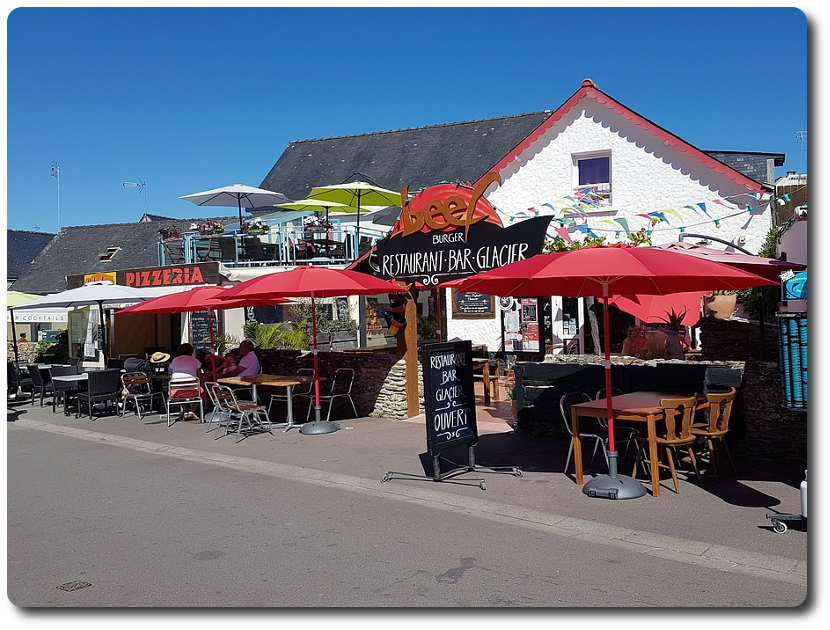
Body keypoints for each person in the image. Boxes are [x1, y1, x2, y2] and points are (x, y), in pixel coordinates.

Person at [167, 343, 203, 420]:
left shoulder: (175, 360)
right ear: (191, 351)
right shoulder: (195, 360)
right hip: (193, 390)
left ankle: (185, 411)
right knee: (202, 391)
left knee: (179, 391)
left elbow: (171, 372)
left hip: (176, 391)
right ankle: (192, 411)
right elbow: (200, 376)